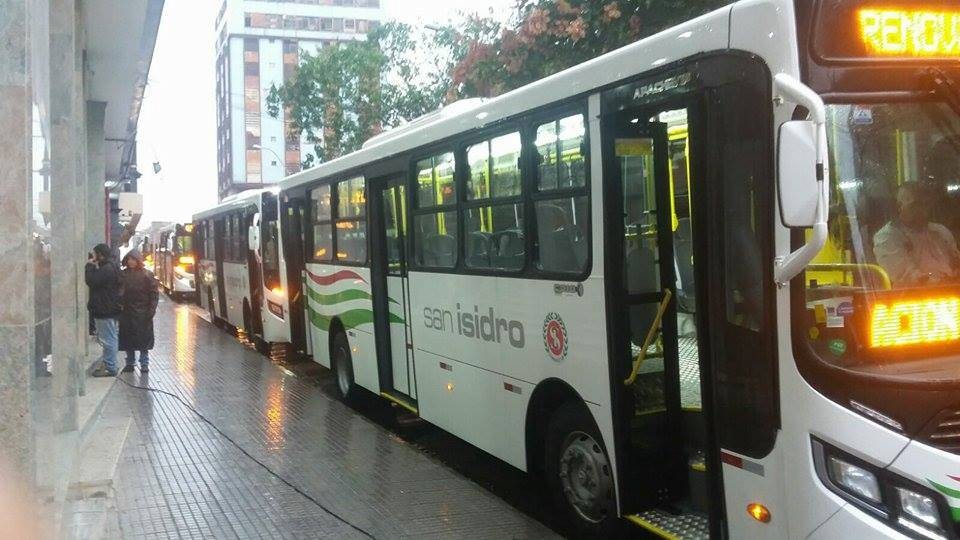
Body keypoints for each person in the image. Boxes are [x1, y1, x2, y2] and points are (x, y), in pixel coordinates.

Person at [874, 183, 960, 286]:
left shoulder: (940, 231)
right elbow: (908, 276)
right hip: (912, 298)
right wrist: (942, 282)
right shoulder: (887, 236)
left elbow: (956, 261)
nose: (923, 210)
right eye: (916, 204)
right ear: (899, 206)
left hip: (951, 292)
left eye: (926, 204)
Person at [119, 250, 158, 373]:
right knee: (129, 339)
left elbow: (154, 294)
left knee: (142, 341)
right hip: (127, 312)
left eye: (133, 259)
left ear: (138, 260)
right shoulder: (123, 275)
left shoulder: (147, 275)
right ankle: (130, 363)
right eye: (129, 259)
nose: (131, 262)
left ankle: (144, 363)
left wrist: (151, 310)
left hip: (142, 313)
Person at [85, 243, 121, 377]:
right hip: (108, 307)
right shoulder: (111, 266)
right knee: (109, 337)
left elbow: (92, 281)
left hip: (104, 308)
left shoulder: (107, 268)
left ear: (100, 254)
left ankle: (110, 367)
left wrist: (89, 265)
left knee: (108, 339)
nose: (93, 257)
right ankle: (109, 364)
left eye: (95, 254)